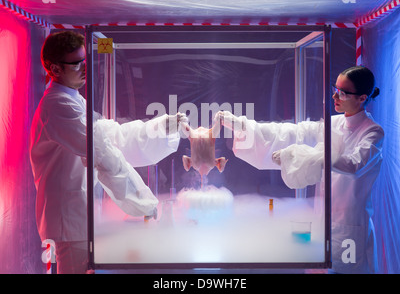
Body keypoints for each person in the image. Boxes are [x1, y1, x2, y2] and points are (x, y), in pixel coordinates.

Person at [29, 31, 186, 274]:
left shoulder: (73, 100)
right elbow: (102, 154)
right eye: (76, 64)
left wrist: (160, 128)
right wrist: (143, 202)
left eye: (85, 61)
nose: (84, 69)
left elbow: (111, 136)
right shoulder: (57, 105)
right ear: (54, 69)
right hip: (70, 219)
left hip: (78, 216)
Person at [215, 66, 384, 274]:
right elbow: (294, 132)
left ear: (362, 98)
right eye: (335, 88)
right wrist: (244, 127)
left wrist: (305, 157)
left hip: (350, 225)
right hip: (324, 221)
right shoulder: (332, 123)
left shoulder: (373, 132)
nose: (334, 96)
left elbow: (354, 163)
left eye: (342, 92)